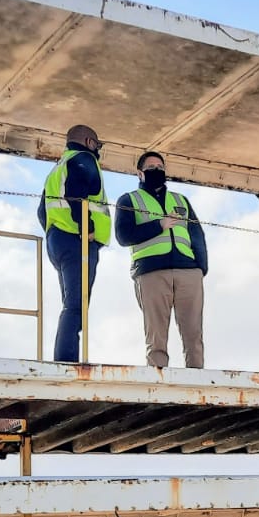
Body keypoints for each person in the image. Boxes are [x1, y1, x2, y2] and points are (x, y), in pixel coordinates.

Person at [114, 151, 208, 368]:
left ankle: (196, 380)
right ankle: (158, 379)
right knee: (156, 335)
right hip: (151, 273)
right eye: (151, 167)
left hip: (188, 272)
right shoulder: (129, 200)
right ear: (140, 173)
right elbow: (123, 236)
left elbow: (197, 235)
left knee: (193, 333)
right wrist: (159, 225)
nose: (157, 170)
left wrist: (200, 268)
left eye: (160, 166)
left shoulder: (180, 200)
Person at [37, 124, 110, 363]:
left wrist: (55, 232)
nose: (97, 150)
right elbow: (77, 195)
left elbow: (42, 212)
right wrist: (86, 228)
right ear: (89, 142)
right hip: (78, 242)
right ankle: (67, 360)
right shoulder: (83, 159)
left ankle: (65, 357)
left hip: (58, 241)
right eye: (97, 145)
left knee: (71, 304)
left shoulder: (58, 168)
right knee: (76, 306)